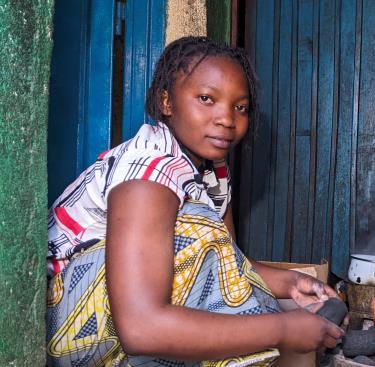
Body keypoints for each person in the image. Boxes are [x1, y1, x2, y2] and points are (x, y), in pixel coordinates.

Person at [46, 36, 344, 366]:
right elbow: (139, 328)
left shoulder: (213, 172)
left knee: (241, 285)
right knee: (203, 234)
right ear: (166, 101)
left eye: (240, 107)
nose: (227, 119)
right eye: (206, 99)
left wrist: (291, 283)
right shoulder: (149, 171)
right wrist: (282, 329)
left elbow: (229, 264)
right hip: (65, 325)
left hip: (117, 319)